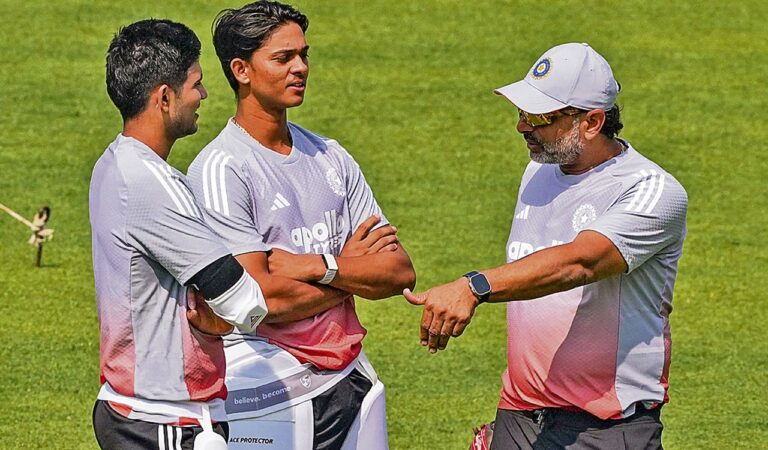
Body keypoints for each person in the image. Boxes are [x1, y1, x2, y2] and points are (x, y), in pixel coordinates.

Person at [404, 43, 688, 449]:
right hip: (520, 416)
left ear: (591, 122)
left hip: (605, 429)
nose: (522, 127)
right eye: (521, 113)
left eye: (540, 117)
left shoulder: (649, 190)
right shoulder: (539, 171)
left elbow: (580, 264)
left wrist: (475, 286)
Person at [185, 2, 416, 449]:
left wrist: (318, 266)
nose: (301, 68)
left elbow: (398, 272)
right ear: (241, 70)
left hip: (350, 377)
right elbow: (258, 300)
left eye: (304, 55)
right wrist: (352, 272)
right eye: (283, 58)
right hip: (264, 389)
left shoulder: (331, 156)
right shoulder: (222, 169)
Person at [91, 19, 272, 449]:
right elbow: (245, 302)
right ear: (165, 97)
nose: (204, 96)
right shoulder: (150, 184)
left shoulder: (113, 163)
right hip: (165, 421)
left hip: (136, 410)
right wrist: (329, 270)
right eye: (197, 84)